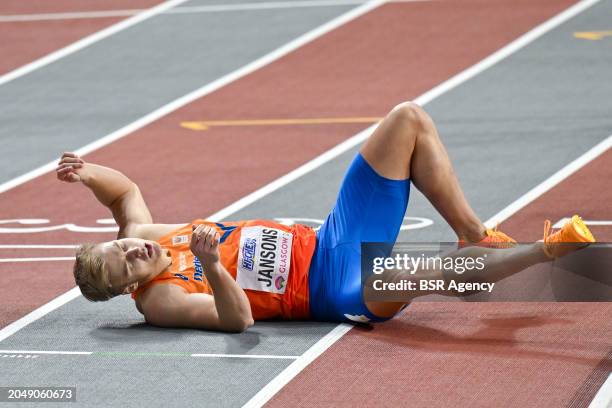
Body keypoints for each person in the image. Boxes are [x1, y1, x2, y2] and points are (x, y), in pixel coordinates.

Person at [57, 102, 595, 332]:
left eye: (120, 248)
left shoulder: (145, 236)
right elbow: (239, 320)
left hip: (330, 237)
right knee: (410, 273)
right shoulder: (162, 300)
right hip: (333, 290)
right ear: (130, 288)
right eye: (127, 265)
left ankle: (477, 237)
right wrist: (212, 266)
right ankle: (546, 250)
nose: (132, 251)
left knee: (406, 119)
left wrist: (86, 172)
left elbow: (125, 195)